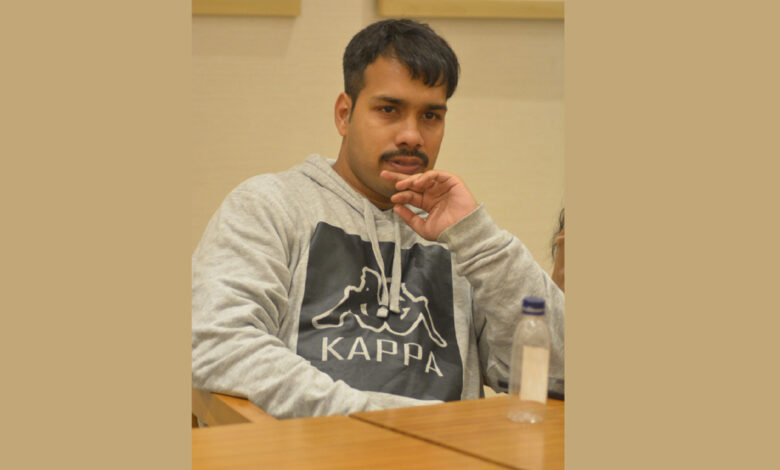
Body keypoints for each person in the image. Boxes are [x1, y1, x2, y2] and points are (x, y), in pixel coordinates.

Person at [192, 19, 564, 419]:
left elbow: (556, 373)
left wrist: (480, 239)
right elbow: (217, 343)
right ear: (344, 114)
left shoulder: (462, 238)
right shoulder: (270, 206)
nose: (412, 135)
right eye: (389, 110)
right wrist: (374, 419)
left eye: (431, 116)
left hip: (452, 449)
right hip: (320, 445)